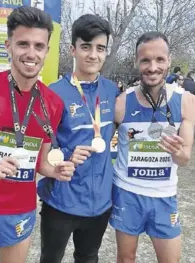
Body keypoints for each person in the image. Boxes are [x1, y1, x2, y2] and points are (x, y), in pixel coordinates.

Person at [0, 7, 75, 263]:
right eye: (23, 44)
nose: (31, 53)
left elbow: (41, 163)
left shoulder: (53, 103)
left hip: (20, 208)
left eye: (39, 46)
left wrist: (55, 171)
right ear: (8, 45)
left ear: (47, 51)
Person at [111, 32, 195, 263]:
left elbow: (184, 158)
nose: (153, 67)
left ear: (169, 60)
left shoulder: (186, 102)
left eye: (160, 60)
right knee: (126, 258)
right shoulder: (121, 102)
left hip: (164, 197)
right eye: (145, 60)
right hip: (127, 193)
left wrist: (178, 151)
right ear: (136, 62)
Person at [37, 14, 119, 263]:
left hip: (100, 203)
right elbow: (44, 151)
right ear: (73, 49)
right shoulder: (54, 93)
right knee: (50, 258)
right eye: (86, 47)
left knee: (88, 257)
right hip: (62, 201)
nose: (93, 55)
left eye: (100, 48)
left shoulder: (113, 91)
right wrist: (67, 155)